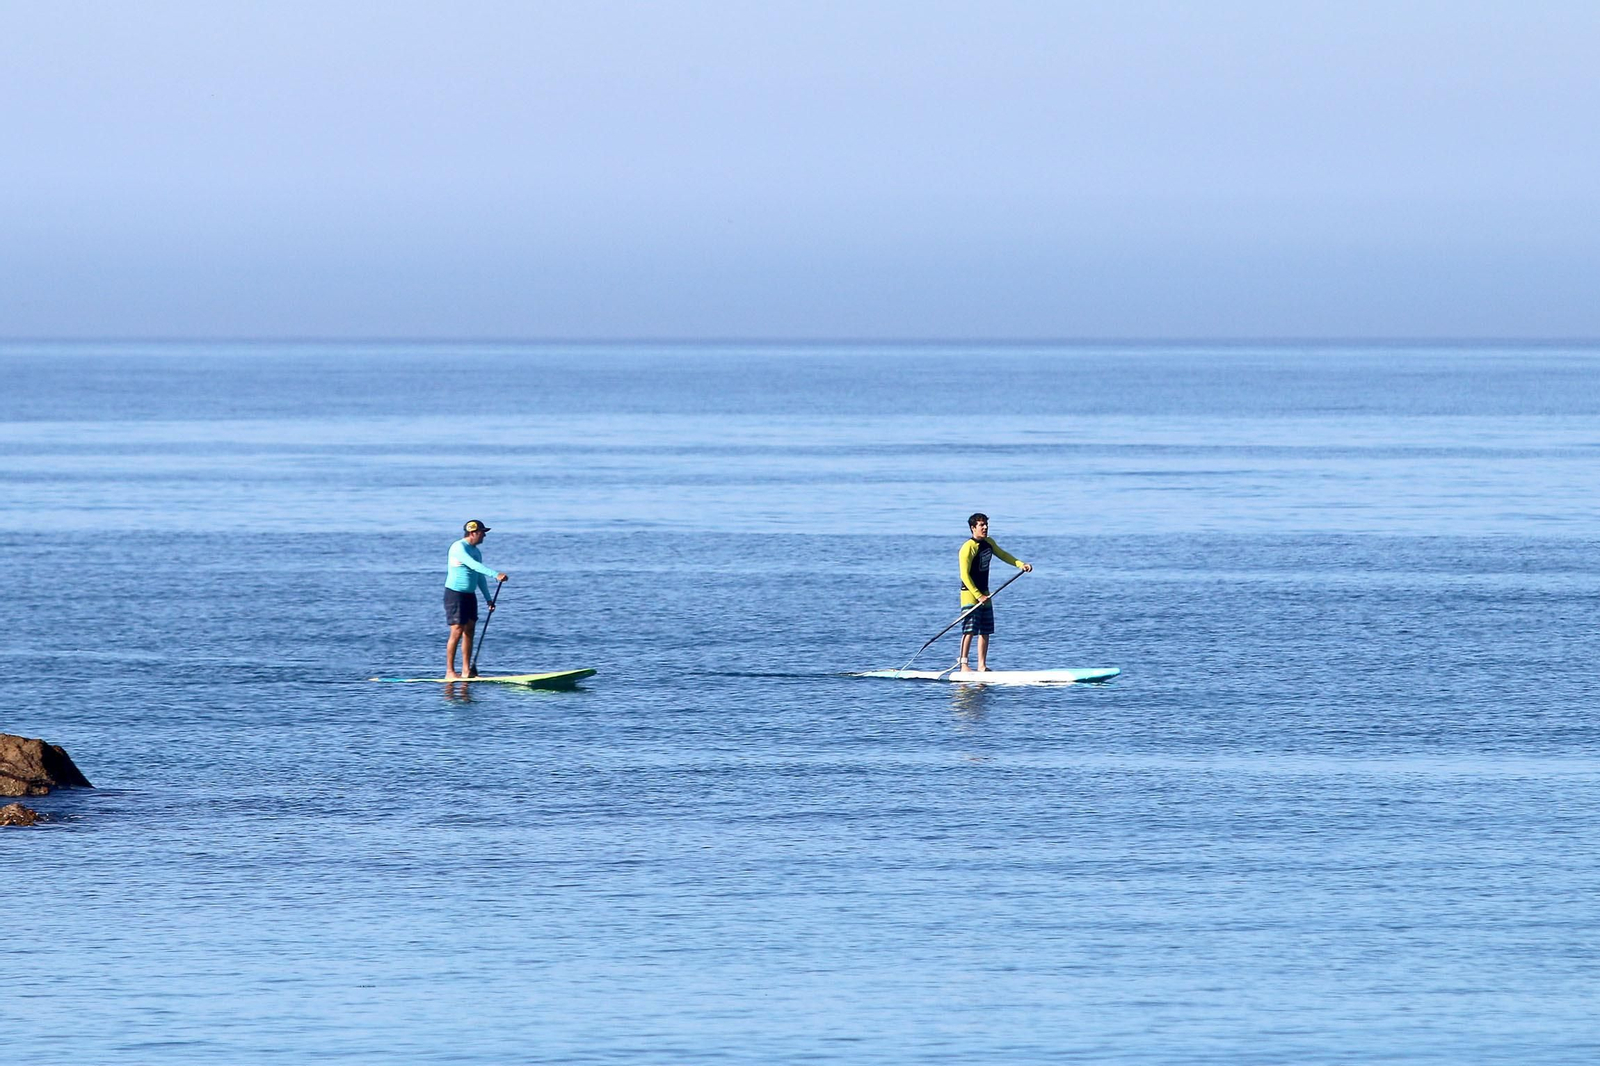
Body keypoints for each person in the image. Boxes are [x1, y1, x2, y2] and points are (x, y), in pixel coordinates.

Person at [957, 513, 1031, 671]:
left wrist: (1020, 564)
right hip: (970, 593)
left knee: (985, 629)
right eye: (981, 525)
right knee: (970, 629)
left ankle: (982, 666)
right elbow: (964, 575)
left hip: (985, 592)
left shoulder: (989, 543)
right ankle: (964, 665)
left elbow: (1003, 555)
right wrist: (978, 595)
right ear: (973, 528)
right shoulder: (967, 548)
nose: (985, 528)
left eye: (986, 525)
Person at [444, 519, 508, 679]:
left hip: (469, 595)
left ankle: (466, 670)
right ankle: (450, 672)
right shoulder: (458, 547)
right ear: (473, 533)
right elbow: (473, 565)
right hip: (455, 594)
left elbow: (479, 576)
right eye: (482, 533)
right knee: (457, 630)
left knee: (470, 630)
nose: (484, 537)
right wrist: (496, 574)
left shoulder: (476, 551)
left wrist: (488, 599)